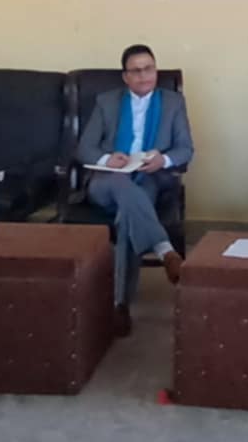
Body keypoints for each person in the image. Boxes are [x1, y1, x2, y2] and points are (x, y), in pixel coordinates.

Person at [76, 44, 193, 336]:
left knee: (128, 216)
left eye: (149, 68)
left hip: (148, 179)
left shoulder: (172, 103)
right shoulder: (107, 102)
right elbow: (84, 148)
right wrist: (108, 160)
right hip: (107, 181)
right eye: (136, 71)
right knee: (121, 184)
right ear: (125, 77)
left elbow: (185, 149)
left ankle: (119, 305)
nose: (144, 76)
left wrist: (163, 160)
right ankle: (166, 251)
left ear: (156, 70)